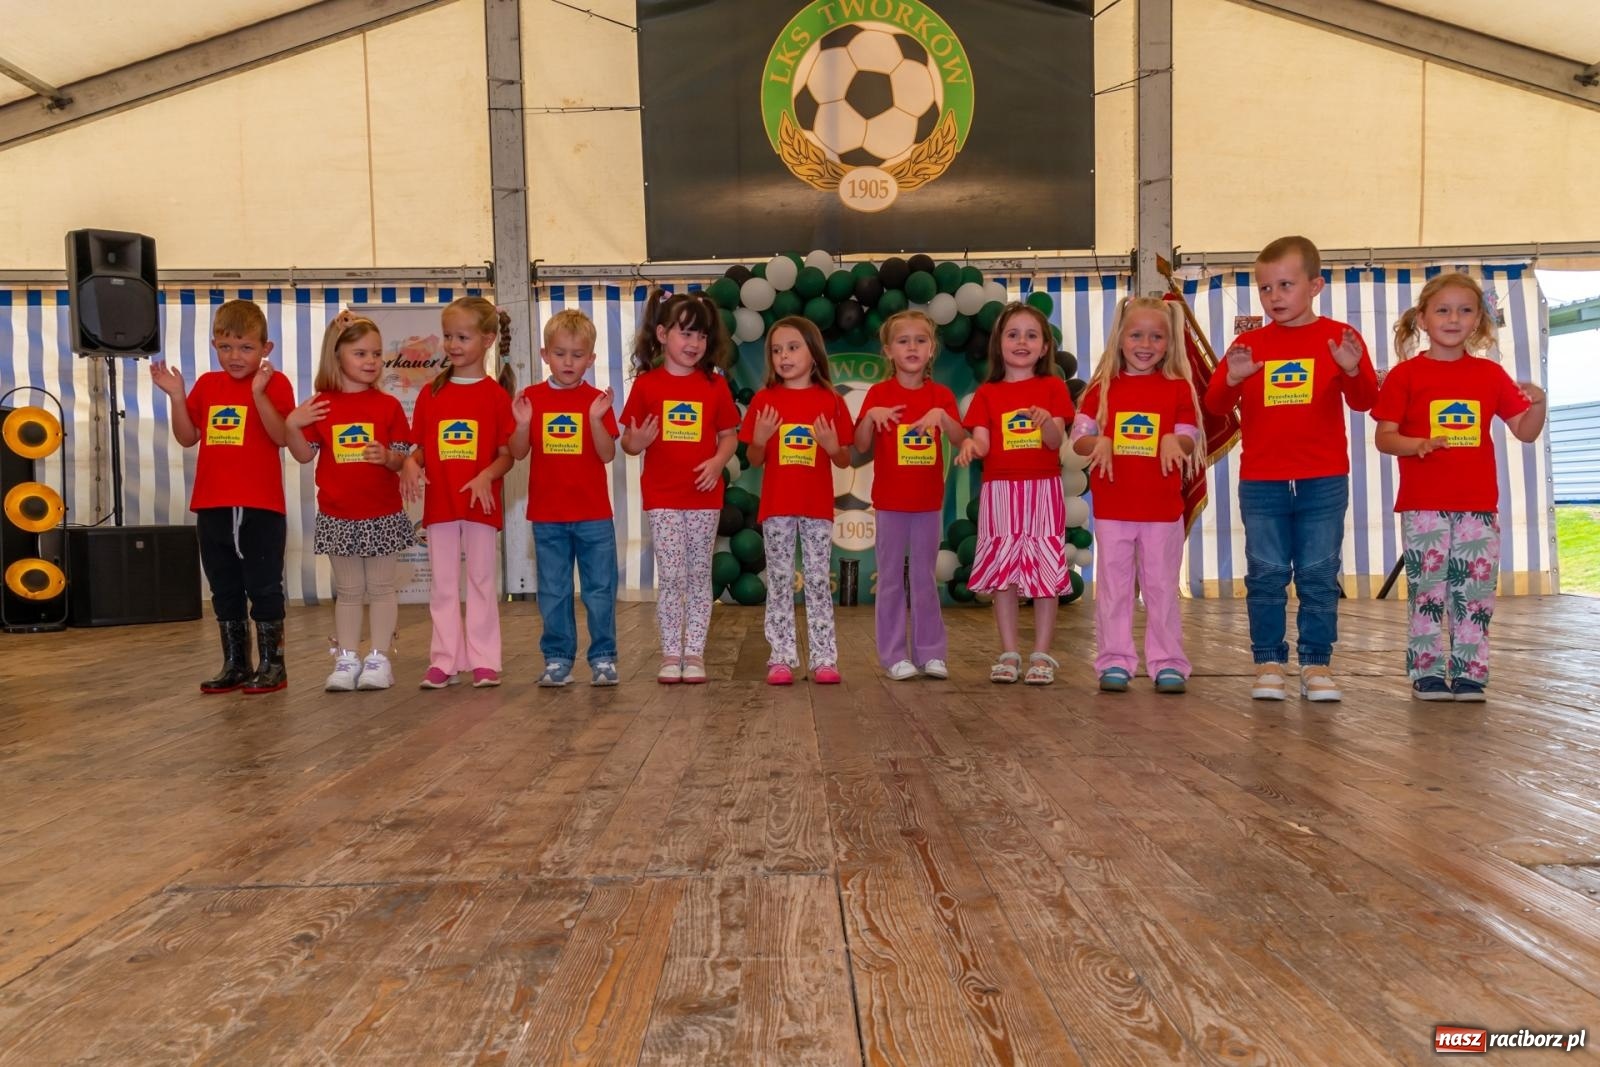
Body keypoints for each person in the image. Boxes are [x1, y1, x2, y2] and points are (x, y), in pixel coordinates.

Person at [1204, 235, 1378, 702]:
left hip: (1323, 479)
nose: (1274, 296)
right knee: (1266, 572)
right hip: (1262, 481)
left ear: (1315, 285)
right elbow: (1215, 405)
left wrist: (1351, 369)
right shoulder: (1248, 343)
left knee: (1320, 573)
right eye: (1264, 288)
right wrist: (1235, 378)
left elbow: (1367, 402)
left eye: (1285, 285)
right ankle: (1268, 661)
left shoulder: (1340, 338)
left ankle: (1317, 664)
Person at [1372, 272, 1546, 701]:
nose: (1454, 318)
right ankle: (1426, 673)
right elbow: (1384, 437)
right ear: (1423, 319)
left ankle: (1470, 672)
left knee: (1474, 591)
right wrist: (1420, 444)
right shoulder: (1405, 376)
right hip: (1424, 505)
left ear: (1479, 321)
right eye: (1443, 310)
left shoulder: (1490, 375)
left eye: (1465, 310)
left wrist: (1539, 402)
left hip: (1478, 505)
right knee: (1428, 591)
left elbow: (1525, 431)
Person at [151, 299, 295, 694]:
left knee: (263, 585)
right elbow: (187, 437)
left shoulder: (275, 383)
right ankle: (235, 663)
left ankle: (273, 665)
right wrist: (177, 397)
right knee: (224, 586)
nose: (235, 356)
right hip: (212, 504)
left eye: (246, 348)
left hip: (260, 506)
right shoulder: (208, 386)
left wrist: (260, 394)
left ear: (266, 349)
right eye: (226, 347)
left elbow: (282, 437)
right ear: (214, 344)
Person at [267, 311, 413, 691]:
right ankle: (346, 659)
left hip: (381, 512)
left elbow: (402, 459)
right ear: (337, 356)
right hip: (337, 512)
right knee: (348, 591)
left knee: (381, 588)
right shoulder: (320, 405)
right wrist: (293, 425)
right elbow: (302, 455)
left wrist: (389, 458)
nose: (371, 362)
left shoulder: (388, 406)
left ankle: (379, 659)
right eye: (361, 353)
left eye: (377, 354)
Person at [1071, 296, 1204, 694]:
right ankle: (1114, 660)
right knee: (1113, 588)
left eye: (1157, 336)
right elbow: (1078, 440)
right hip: (1114, 509)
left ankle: (1168, 662)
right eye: (1137, 334)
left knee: (1162, 588)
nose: (1146, 344)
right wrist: (1100, 442)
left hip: (1163, 512)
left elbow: (1189, 435)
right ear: (1120, 338)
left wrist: (1174, 440)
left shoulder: (1179, 388)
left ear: (1169, 343)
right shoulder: (1101, 389)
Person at [620, 289, 740, 684]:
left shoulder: (714, 386)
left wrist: (719, 461)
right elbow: (629, 442)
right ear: (661, 334)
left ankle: (695, 653)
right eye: (685, 333)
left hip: (704, 496)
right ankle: (671, 653)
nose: (694, 343)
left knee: (698, 574)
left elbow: (729, 435)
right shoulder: (646, 386)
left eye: (701, 336)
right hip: (663, 496)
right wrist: (637, 441)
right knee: (671, 574)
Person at [955, 301, 1075, 685]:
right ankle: (1009, 652)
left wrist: (1044, 424)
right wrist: (971, 447)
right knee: (1003, 572)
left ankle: (1041, 653)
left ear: (1044, 348)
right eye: (1012, 334)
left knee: (1043, 571)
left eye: (1031, 335)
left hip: (1043, 489)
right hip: (999, 492)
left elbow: (1057, 441)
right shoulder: (987, 394)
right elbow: (983, 443)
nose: (1021, 341)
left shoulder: (1053, 387)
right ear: (999, 344)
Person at [401, 296, 516, 689]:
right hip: (440, 504)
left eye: (462, 336)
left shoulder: (496, 396)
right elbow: (420, 448)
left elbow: (506, 456)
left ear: (486, 339)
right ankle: (445, 659)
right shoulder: (431, 393)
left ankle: (484, 659)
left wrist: (487, 475)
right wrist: (412, 463)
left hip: (479, 505)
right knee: (443, 583)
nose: (452, 344)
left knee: (482, 579)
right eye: (448, 336)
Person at [741, 316, 854, 685]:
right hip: (776, 506)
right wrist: (759, 438)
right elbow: (755, 459)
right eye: (776, 350)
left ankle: (824, 658)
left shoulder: (831, 401)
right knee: (779, 579)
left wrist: (832, 446)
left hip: (817, 506)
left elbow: (844, 459)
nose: (784, 356)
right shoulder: (764, 400)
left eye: (792, 348)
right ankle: (782, 658)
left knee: (819, 580)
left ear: (814, 353)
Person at [510, 309, 620, 687]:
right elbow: (518, 452)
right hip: (548, 516)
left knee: (599, 591)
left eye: (577, 355)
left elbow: (608, 454)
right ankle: (557, 659)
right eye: (560, 353)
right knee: (554, 592)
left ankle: (604, 658)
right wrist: (522, 425)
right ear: (544, 355)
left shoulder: (598, 401)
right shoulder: (530, 398)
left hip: (593, 516)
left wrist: (593, 421)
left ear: (591, 359)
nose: (568, 362)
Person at [854, 310, 965, 680]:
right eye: (903, 341)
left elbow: (961, 440)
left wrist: (942, 417)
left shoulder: (941, 395)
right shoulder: (879, 393)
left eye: (920, 340)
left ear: (931, 349)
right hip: (889, 504)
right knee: (889, 580)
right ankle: (892, 655)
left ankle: (931, 652)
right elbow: (859, 447)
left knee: (923, 578)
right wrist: (871, 416)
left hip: (928, 504)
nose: (912, 347)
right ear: (888, 351)